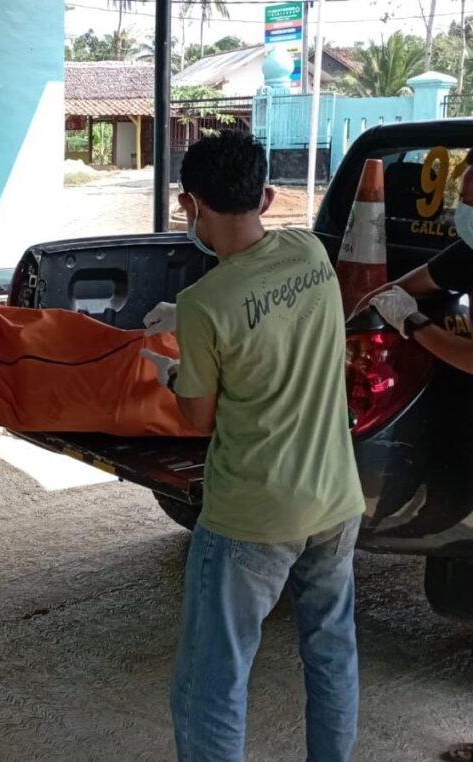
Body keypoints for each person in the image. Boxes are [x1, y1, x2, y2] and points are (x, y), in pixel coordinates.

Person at [140, 130, 365, 762]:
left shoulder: (203, 303)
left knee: (212, 682)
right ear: (266, 197)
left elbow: (198, 416)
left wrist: (174, 368)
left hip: (253, 517)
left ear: (191, 205)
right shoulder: (312, 252)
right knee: (331, 652)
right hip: (335, 501)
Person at [362, 161, 473, 762]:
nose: (464, 209)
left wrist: (416, 327)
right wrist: (385, 299)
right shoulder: (468, 249)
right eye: (463, 195)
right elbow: (414, 281)